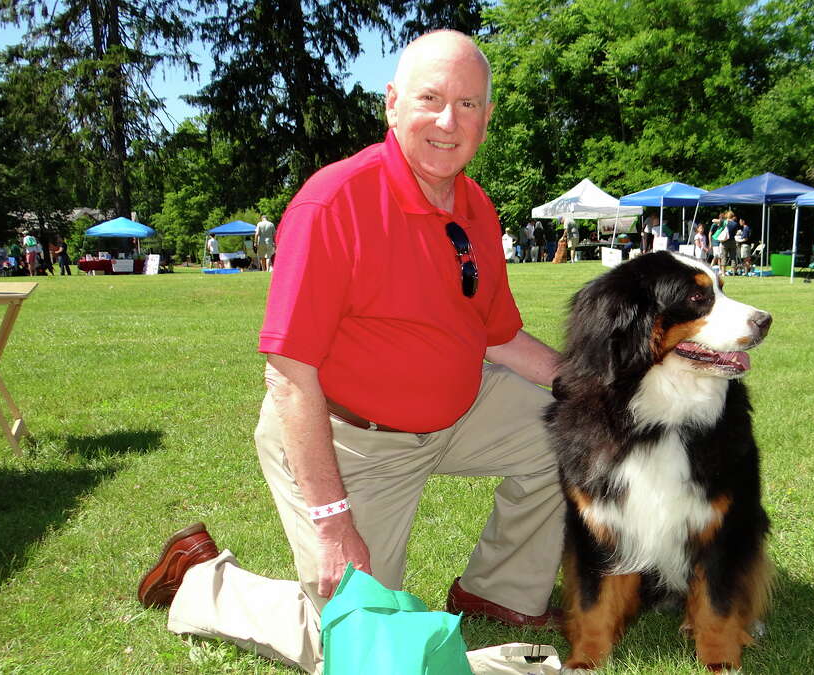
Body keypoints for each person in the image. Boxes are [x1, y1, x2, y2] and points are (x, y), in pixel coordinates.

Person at [136, 31, 565, 673]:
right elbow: (288, 376)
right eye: (430, 98)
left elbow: (497, 336)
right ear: (392, 105)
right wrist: (334, 523)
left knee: (573, 435)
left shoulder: (477, 208)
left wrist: (601, 386)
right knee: (360, 644)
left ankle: (497, 591)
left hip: (460, 412)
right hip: (351, 441)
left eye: (468, 104)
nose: (449, 121)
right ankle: (202, 581)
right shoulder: (334, 203)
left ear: (486, 117)